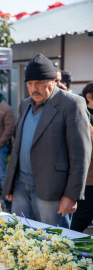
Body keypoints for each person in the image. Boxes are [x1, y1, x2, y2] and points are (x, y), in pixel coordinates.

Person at [3, 53, 91, 228]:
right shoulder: (25, 104)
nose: (34, 88)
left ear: (53, 80)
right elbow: (18, 145)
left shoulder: (72, 104)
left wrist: (71, 195)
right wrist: (10, 185)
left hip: (53, 190)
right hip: (21, 186)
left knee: (53, 246)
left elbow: (80, 154)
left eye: (40, 84)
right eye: (30, 84)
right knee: (20, 240)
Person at [71, 82, 93, 232]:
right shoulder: (82, 116)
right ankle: (66, 247)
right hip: (88, 178)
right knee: (83, 216)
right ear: (89, 97)